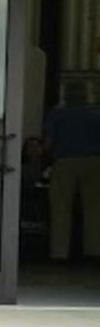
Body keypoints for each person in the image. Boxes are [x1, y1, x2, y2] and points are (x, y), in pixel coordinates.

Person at [43, 86, 100, 261]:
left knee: (61, 208)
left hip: (65, 161)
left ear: (65, 97)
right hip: (94, 161)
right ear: (86, 97)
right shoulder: (96, 114)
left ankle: (59, 253)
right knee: (95, 210)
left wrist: (46, 157)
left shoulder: (58, 114)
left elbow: (48, 141)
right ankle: (94, 251)